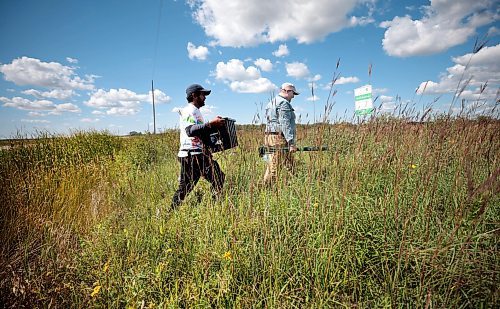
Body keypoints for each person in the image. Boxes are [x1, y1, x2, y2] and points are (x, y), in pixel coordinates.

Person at [170, 84, 226, 209]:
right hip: (192, 155)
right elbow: (190, 131)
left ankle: (214, 206)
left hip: (198, 154)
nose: (205, 97)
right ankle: (169, 214)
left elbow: (200, 133)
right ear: (194, 96)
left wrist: (214, 139)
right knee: (185, 188)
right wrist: (211, 124)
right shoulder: (190, 110)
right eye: (202, 94)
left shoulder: (196, 111)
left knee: (218, 178)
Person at [263, 82, 299, 184]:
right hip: (279, 138)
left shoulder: (271, 102)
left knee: (289, 162)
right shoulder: (284, 103)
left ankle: (297, 183)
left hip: (270, 136)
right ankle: (267, 188)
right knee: (274, 166)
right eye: (293, 93)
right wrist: (291, 142)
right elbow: (285, 124)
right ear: (287, 91)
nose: (293, 97)